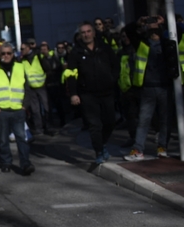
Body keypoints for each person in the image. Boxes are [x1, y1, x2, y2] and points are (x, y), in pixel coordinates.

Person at [65, 22, 120, 166]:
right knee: (94, 125)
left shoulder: (104, 48)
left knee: (110, 121)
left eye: (89, 31)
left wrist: (112, 80)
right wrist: (73, 94)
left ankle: (103, 144)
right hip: (87, 94)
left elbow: (116, 66)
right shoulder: (76, 52)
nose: (86, 34)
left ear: (93, 33)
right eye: (83, 32)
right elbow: (71, 74)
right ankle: (99, 152)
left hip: (107, 92)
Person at [0, 43, 35, 175]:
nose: (6, 56)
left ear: (13, 54)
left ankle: (25, 164)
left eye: (9, 53)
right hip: (2, 110)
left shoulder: (20, 67)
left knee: (21, 138)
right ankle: (6, 162)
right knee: (3, 138)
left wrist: (25, 106)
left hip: (18, 109)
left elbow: (27, 89)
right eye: (3, 53)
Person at [124, 17, 172, 161]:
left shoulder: (167, 43)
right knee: (144, 120)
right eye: (151, 27)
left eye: (156, 27)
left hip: (165, 86)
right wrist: (139, 21)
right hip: (148, 88)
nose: (153, 29)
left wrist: (164, 21)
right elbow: (129, 30)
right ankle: (138, 149)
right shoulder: (142, 43)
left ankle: (162, 147)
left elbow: (180, 31)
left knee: (165, 120)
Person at [19, 39, 52, 136]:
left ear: (28, 48)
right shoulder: (22, 60)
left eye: (23, 49)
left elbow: (47, 67)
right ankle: (39, 128)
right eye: (20, 49)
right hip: (31, 88)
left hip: (41, 86)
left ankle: (48, 126)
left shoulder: (38, 56)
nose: (21, 51)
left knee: (46, 107)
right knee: (35, 109)